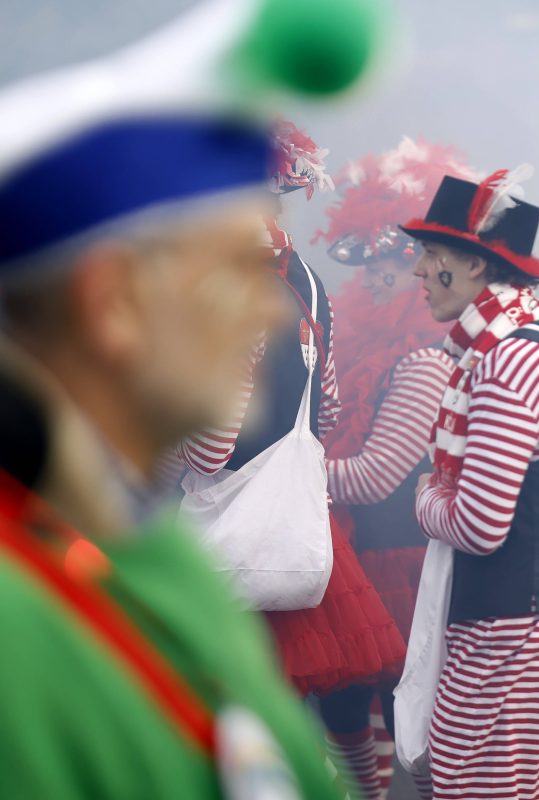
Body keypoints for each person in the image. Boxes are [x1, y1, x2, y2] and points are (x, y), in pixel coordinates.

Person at [0, 0, 377, 796]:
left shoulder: (165, 563)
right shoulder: (19, 623)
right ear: (113, 302)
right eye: (237, 268)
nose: (276, 309)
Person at [177, 122, 408, 758]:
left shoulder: (225, 287)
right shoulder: (306, 280)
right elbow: (326, 411)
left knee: (221, 730)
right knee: (286, 730)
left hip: (224, 549)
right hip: (292, 540)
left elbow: (209, 450)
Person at [404, 168, 539, 799]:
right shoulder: (514, 345)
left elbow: (478, 525)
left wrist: (425, 497)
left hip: (518, 628)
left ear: (475, 267)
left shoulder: (509, 359)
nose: (418, 272)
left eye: (431, 256)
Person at [312, 138, 469, 799]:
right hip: (356, 556)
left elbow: (376, 476)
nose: (377, 274)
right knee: (346, 706)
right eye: (366, 260)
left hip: (401, 562)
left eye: (394, 258)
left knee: (415, 718)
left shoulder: (426, 359)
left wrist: (283, 473)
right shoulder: (353, 345)